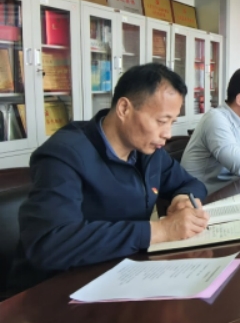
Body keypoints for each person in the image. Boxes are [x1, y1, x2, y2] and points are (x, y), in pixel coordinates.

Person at [9, 64, 209, 294]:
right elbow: (50, 244)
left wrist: (182, 199)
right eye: (161, 121)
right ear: (124, 109)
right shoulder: (65, 155)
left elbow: (191, 184)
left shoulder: (148, 152)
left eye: (172, 122)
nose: (168, 133)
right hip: (52, 292)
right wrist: (160, 231)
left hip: (119, 274)